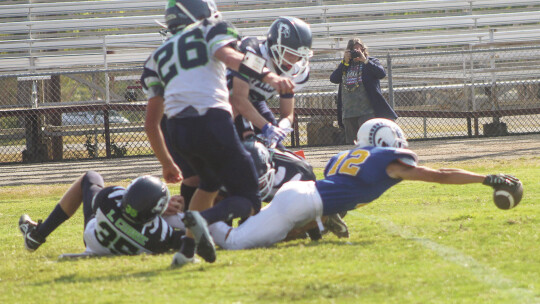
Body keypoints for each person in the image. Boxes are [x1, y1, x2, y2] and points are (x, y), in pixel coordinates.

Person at [208, 118, 522, 250]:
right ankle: (193, 222)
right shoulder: (388, 163)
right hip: (303, 202)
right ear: (387, 141)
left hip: (304, 197)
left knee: (274, 237)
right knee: (234, 243)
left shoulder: (344, 157)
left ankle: (323, 220)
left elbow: (341, 188)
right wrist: (486, 179)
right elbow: (439, 174)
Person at [141, 0, 295, 266]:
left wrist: (167, 161)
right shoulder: (209, 30)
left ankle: (187, 250)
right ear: (202, 14)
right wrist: (270, 77)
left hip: (177, 131)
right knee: (249, 198)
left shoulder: (157, 56)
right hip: (211, 121)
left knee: (209, 183)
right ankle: (203, 220)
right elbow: (233, 58)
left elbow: (151, 123)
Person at [17, 171, 211, 266]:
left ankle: (37, 235)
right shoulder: (161, 237)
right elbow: (188, 237)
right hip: (132, 242)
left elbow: (129, 196)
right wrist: (159, 210)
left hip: (95, 239)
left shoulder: (108, 199)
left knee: (91, 177)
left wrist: (155, 207)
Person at [228, 16, 312, 148]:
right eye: (289, 53)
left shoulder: (297, 70)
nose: (294, 59)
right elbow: (238, 100)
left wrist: (281, 127)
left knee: (277, 150)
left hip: (254, 102)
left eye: (299, 54)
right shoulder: (252, 52)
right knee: (245, 146)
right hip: (224, 100)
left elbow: (288, 113)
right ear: (274, 47)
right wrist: (266, 127)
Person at [330, 38, 397, 144]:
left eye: (358, 49)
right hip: (349, 112)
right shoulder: (345, 65)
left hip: (367, 111)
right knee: (351, 144)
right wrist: (345, 62)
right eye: (353, 50)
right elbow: (333, 79)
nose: (356, 52)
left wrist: (364, 60)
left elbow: (381, 74)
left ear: (363, 49)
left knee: (368, 142)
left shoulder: (370, 62)